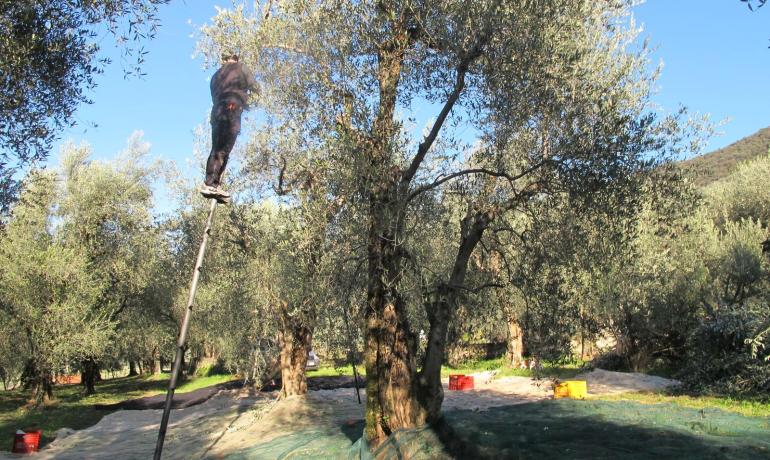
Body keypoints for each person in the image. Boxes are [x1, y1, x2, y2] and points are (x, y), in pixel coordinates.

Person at [200, 53, 257, 202]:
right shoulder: (240, 68)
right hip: (231, 110)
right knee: (223, 148)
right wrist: (257, 98)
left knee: (218, 147)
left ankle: (214, 185)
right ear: (236, 59)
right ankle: (209, 183)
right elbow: (254, 85)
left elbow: (216, 96)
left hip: (217, 112)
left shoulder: (215, 76)